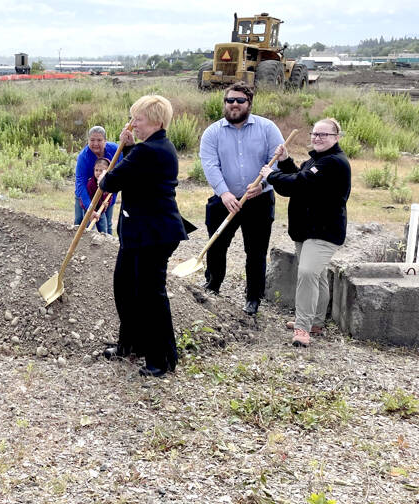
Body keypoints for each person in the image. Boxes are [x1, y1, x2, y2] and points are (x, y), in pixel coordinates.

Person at [99, 95, 190, 377]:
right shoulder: (151, 148)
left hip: (154, 233)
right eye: (133, 118)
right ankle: (131, 343)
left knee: (151, 295)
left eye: (137, 119)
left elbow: (111, 181)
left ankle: (162, 358)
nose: (132, 124)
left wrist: (116, 163)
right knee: (126, 287)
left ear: (156, 121)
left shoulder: (150, 150)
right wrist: (127, 149)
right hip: (139, 231)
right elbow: (134, 175)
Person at [256, 118, 350, 347]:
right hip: (306, 230)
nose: (317, 137)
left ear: (336, 137)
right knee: (316, 275)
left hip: (324, 232)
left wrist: (271, 175)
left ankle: (303, 328)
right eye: (315, 133)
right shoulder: (317, 160)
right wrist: (286, 161)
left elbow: (300, 183)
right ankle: (316, 321)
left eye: (324, 134)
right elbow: (300, 177)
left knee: (307, 273)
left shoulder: (334, 162)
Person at [199, 81, 285, 315]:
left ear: (249, 103)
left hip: (259, 199)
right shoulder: (212, 133)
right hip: (224, 200)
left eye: (240, 101)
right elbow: (210, 164)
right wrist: (224, 193)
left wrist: (264, 184)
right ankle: (213, 287)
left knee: (256, 252)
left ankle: (253, 298)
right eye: (230, 100)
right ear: (224, 103)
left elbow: (276, 160)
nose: (234, 105)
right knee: (216, 247)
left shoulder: (267, 128)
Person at [75, 126, 119, 234]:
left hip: (106, 194)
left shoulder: (115, 150)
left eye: (99, 140)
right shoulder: (83, 157)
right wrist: (90, 209)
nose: (95, 143)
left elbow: (120, 173)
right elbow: (80, 183)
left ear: (105, 141)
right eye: (92, 140)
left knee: (106, 224)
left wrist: (110, 198)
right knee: (80, 222)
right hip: (86, 192)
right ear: (88, 141)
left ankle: (107, 247)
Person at [84, 157, 114, 233]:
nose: (98, 173)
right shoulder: (91, 184)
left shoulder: (109, 184)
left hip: (101, 211)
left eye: (101, 171)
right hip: (90, 210)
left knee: (104, 230)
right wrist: (93, 210)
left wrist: (106, 204)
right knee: (90, 229)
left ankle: (104, 240)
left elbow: (110, 196)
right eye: (96, 170)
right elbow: (91, 199)